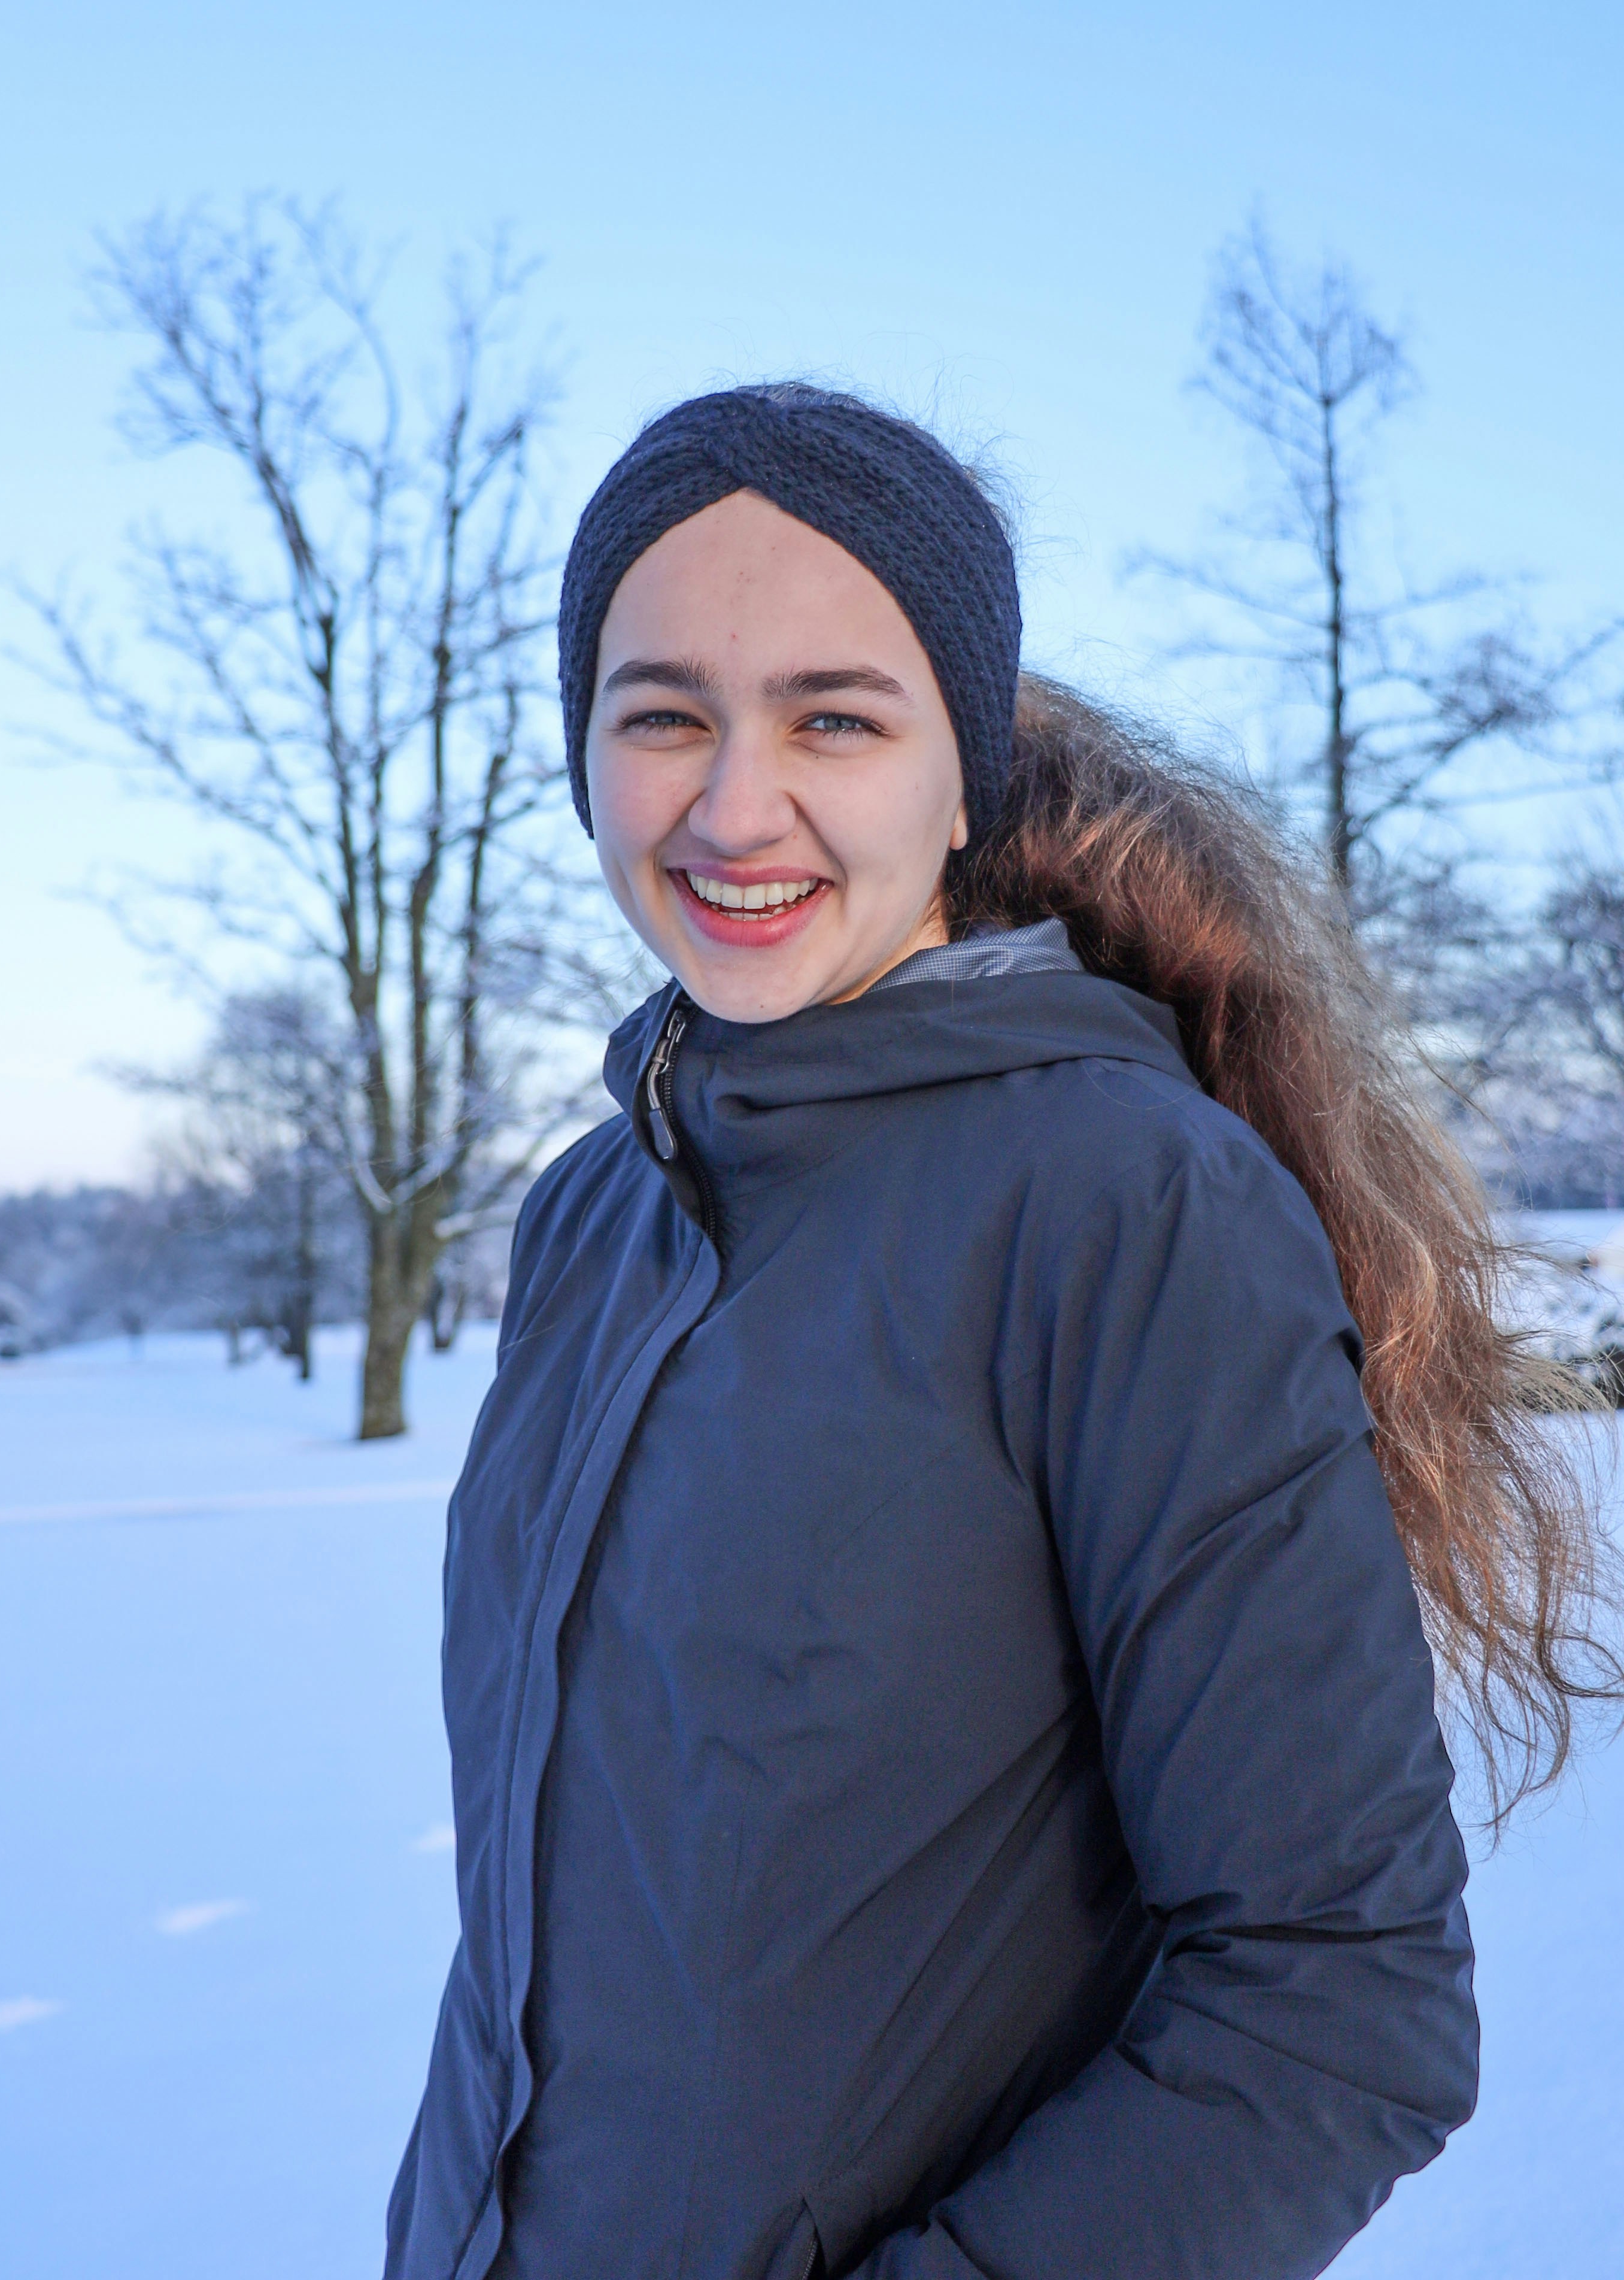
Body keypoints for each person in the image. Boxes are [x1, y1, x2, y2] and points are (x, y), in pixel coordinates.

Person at [384, 385, 1618, 2280]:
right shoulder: (588, 1216)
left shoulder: (1125, 1206)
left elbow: (1342, 2004)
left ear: (961, 775)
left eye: (834, 718)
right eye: (662, 717)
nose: (734, 804)